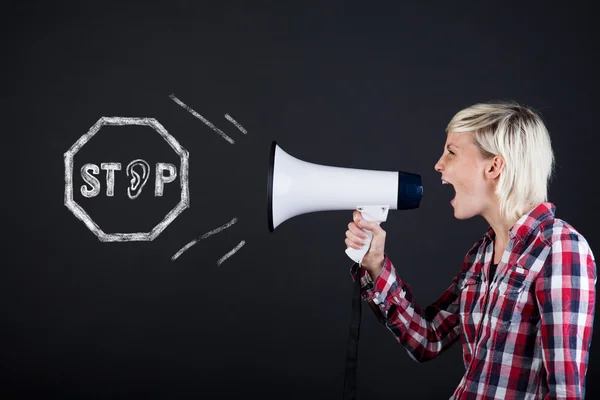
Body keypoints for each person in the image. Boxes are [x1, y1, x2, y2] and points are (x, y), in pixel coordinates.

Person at [345, 101, 596, 399]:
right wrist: (374, 263)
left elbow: (565, 392)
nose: (439, 164)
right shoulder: (480, 257)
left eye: (451, 152)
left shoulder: (560, 249)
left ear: (494, 167)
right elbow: (428, 339)